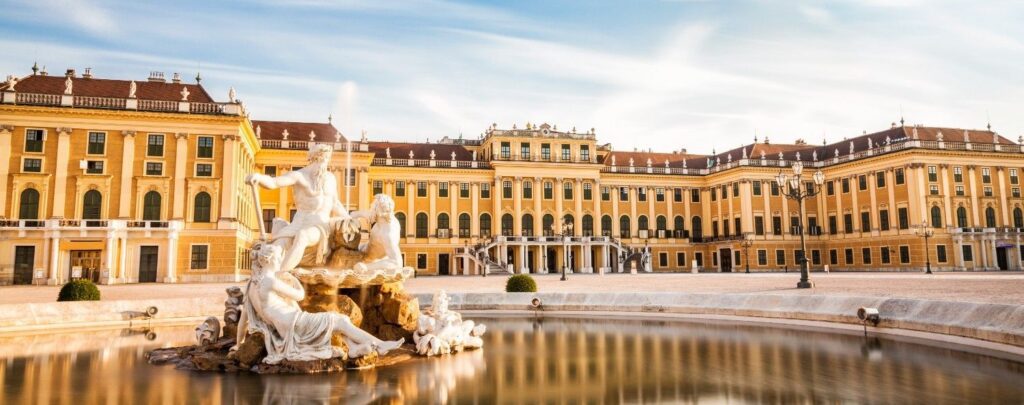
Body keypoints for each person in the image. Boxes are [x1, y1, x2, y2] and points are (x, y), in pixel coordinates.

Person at [232, 243, 403, 363]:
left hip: (288, 324)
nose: (281, 261)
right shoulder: (271, 281)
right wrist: (291, 278)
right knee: (340, 320)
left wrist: (238, 344)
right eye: (279, 258)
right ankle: (380, 345)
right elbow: (299, 295)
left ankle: (352, 348)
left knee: (337, 322)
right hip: (294, 324)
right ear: (271, 260)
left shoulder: (252, 285)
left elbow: (243, 321)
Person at [245, 143, 356, 273]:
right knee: (279, 244)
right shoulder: (298, 176)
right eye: (321, 158)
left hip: (319, 225)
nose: (324, 162)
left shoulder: (331, 178)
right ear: (313, 158)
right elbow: (274, 182)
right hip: (298, 223)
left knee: (302, 236)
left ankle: (279, 275)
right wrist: (258, 177)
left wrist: (349, 218)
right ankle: (268, 276)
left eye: (326, 158)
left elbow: (335, 203)